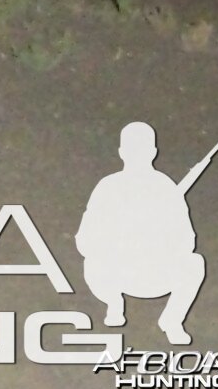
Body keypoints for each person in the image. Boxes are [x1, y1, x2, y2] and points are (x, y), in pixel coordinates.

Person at [78, 121, 210, 345]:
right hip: (115, 273)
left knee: (194, 263)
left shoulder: (166, 188)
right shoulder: (108, 187)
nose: (137, 155)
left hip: (156, 273)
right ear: (121, 152)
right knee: (91, 263)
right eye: (132, 149)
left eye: (141, 149)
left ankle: (172, 320)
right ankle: (113, 303)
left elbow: (187, 240)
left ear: (153, 152)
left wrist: (156, 240)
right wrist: (116, 243)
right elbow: (85, 239)